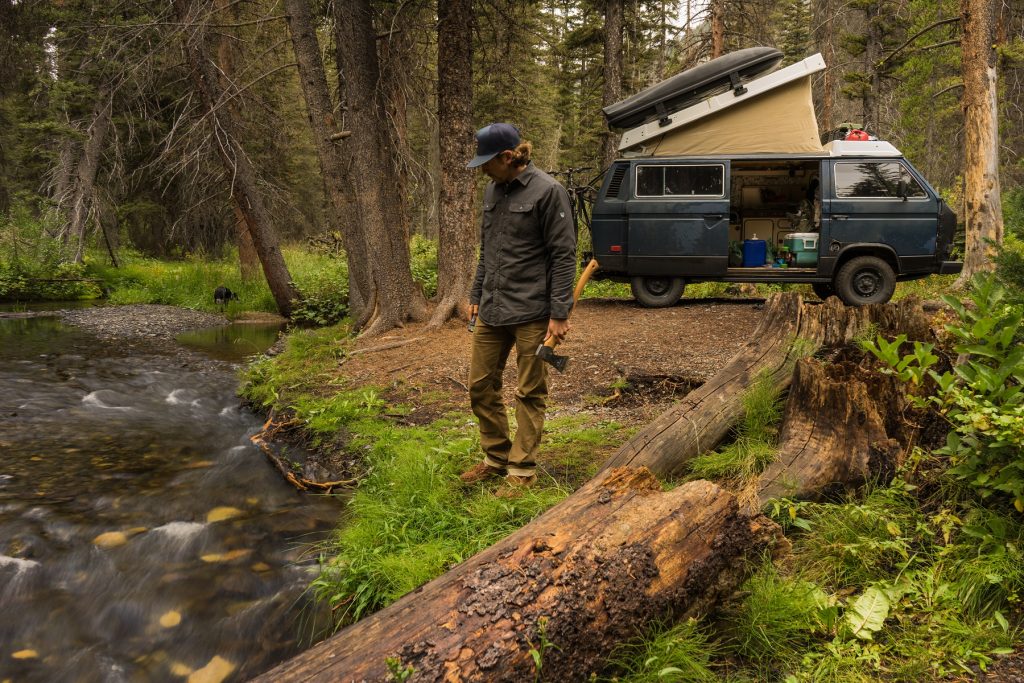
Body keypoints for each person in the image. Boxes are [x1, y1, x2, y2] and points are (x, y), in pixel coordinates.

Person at [458, 123, 576, 497]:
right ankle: (497, 457)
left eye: (486, 162)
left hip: (533, 312)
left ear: (508, 157)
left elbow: (563, 256)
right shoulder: (494, 190)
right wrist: (477, 291)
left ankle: (522, 470)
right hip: (492, 308)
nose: (482, 170)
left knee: (529, 391)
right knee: (480, 385)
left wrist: (559, 314)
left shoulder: (549, 192)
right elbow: (486, 249)